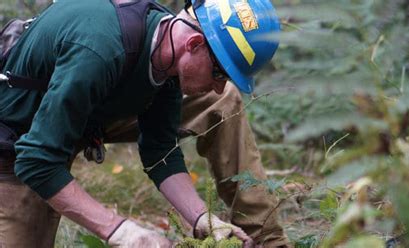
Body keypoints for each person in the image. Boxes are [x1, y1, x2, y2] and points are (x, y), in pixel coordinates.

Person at [0, 0, 288, 247]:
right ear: (194, 43)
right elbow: (37, 161)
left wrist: (203, 217)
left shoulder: (168, 55)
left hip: (88, 110)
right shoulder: (101, 48)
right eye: (219, 73)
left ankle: (268, 240)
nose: (217, 87)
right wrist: (119, 230)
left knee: (224, 100)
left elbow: (159, 150)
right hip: (19, 139)